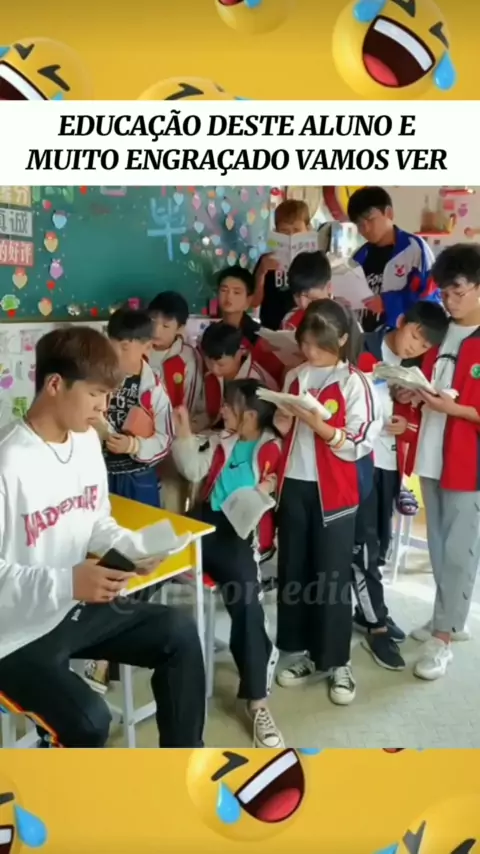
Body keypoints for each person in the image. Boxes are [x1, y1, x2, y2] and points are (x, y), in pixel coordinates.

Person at [0, 326, 205, 748]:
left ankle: (182, 769)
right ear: (55, 385)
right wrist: (67, 581)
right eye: (95, 394)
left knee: (180, 633)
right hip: (13, 634)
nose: (103, 408)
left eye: (108, 395)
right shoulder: (9, 462)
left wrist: (134, 549)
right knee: (91, 720)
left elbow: (97, 521)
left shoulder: (86, 443)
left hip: (71, 608)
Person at [273, 300, 381, 705]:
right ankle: (299, 652)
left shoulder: (355, 381)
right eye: (305, 343)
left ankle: (338, 662)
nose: (310, 352)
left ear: (342, 338)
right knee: (294, 570)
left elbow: (360, 440)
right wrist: (283, 420)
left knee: (332, 576)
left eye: (319, 345)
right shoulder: (295, 375)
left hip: (334, 491)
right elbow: (283, 431)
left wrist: (321, 427)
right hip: (294, 484)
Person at [171, 379, 283, 747]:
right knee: (146, 562)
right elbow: (192, 469)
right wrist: (183, 429)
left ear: (249, 415)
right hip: (204, 522)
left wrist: (265, 491)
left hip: (238, 534)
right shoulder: (221, 440)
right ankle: (104, 663)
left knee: (247, 607)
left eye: (228, 406)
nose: (221, 410)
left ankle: (257, 701)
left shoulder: (273, 448)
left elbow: (276, 497)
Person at [400, 244, 480, 680]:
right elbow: (426, 382)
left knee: (458, 549)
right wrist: (411, 391)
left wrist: (458, 410)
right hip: (431, 451)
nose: (448, 301)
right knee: (436, 543)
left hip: (469, 460)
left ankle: (444, 637)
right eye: (444, 292)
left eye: (458, 292)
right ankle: (447, 617)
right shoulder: (441, 332)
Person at [354, 302, 449, 670]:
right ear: (401, 321)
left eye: (424, 346)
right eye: (414, 336)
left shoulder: (417, 368)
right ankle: (376, 623)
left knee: (380, 543)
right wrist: (383, 417)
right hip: (361, 460)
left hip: (392, 463)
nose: (415, 347)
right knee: (364, 545)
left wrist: (405, 412)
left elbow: (412, 418)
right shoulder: (363, 348)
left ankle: (369, 610)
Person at [347, 186, 440, 333]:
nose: (365, 229)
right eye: (359, 224)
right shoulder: (359, 257)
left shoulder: (414, 249)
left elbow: (430, 297)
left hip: (402, 339)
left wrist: (387, 303)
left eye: (370, 220)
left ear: (389, 213)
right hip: (364, 338)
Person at [105, 307, 173, 506]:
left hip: (137, 478)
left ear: (147, 346)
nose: (116, 355)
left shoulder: (154, 389)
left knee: (143, 525)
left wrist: (133, 446)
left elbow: (165, 440)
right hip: (101, 473)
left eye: (124, 348)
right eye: (111, 347)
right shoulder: (98, 379)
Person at [199, 322, 277, 429]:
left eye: (221, 364)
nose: (214, 369)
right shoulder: (209, 375)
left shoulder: (258, 381)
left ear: (238, 354)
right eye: (209, 362)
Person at [216, 265, 285, 386]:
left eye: (236, 292)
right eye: (224, 290)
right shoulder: (212, 333)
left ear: (248, 300)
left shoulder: (260, 338)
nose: (229, 296)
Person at [253, 199, 311, 330]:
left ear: (308, 230)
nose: (291, 235)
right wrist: (261, 272)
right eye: (284, 231)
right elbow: (254, 302)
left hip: (305, 331)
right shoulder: (267, 260)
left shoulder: (316, 261)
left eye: (296, 230)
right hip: (271, 330)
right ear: (276, 233)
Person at [148, 290, 202, 412]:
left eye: (165, 326)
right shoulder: (137, 349)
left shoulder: (188, 357)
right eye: (152, 321)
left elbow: (188, 405)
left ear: (180, 328)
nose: (156, 331)